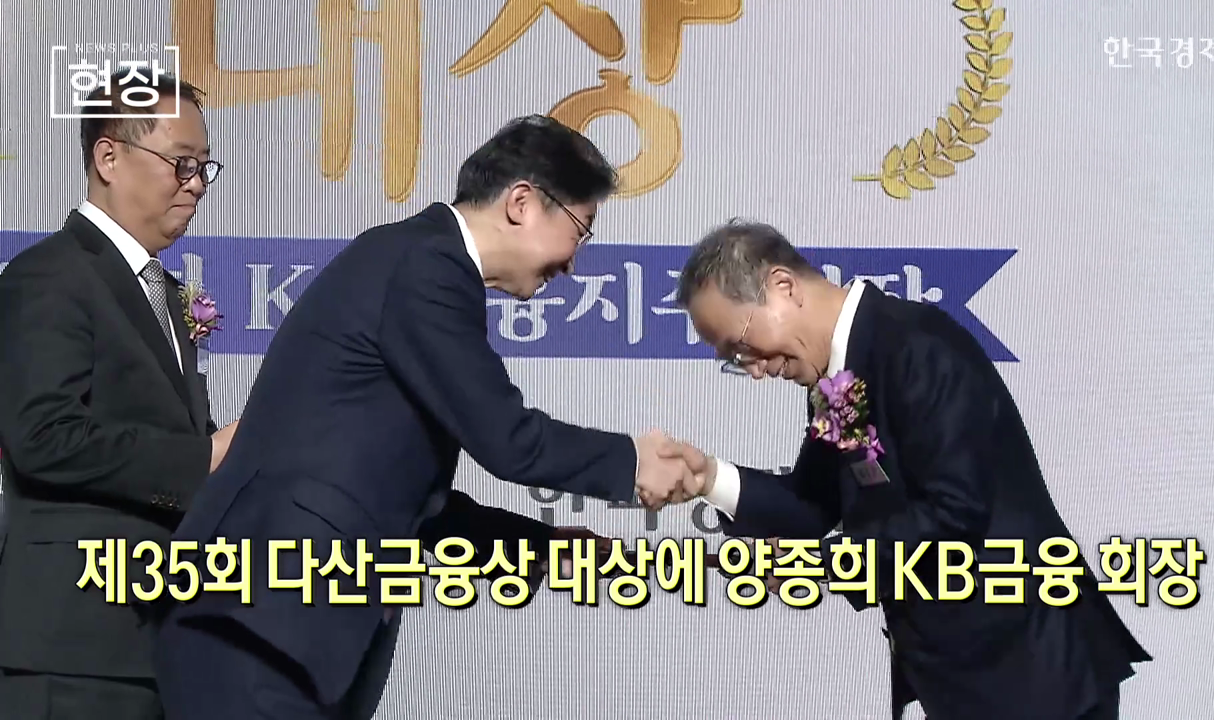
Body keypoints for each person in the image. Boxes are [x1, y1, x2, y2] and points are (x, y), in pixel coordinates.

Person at [153, 115, 699, 719]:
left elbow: (411, 499)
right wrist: (632, 463)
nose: (573, 264)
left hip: (284, 631)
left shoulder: (419, 263)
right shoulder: (426, 264)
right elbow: (509, 439)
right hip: (256, 622)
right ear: (522, 203)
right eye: (580, 230)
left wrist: (542, 546)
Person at [667, 220, 1152, 720]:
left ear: (783, 287)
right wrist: (706, 479)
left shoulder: (915, 344)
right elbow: (812, 506)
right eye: (733, 359)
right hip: (966, 678)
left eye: (742, 344)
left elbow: (954, 514)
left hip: (1033, 672)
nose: (752, 369)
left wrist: (816, 564)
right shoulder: (841, 374)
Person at [0, 70, 238, 720]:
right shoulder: (49, 276)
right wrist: (203, 458)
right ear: (109, 157)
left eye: (204, 167)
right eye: (181, 163)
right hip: (73, 650)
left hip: (154, 643)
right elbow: (43, 438)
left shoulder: (162, 291)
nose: (196, 183)